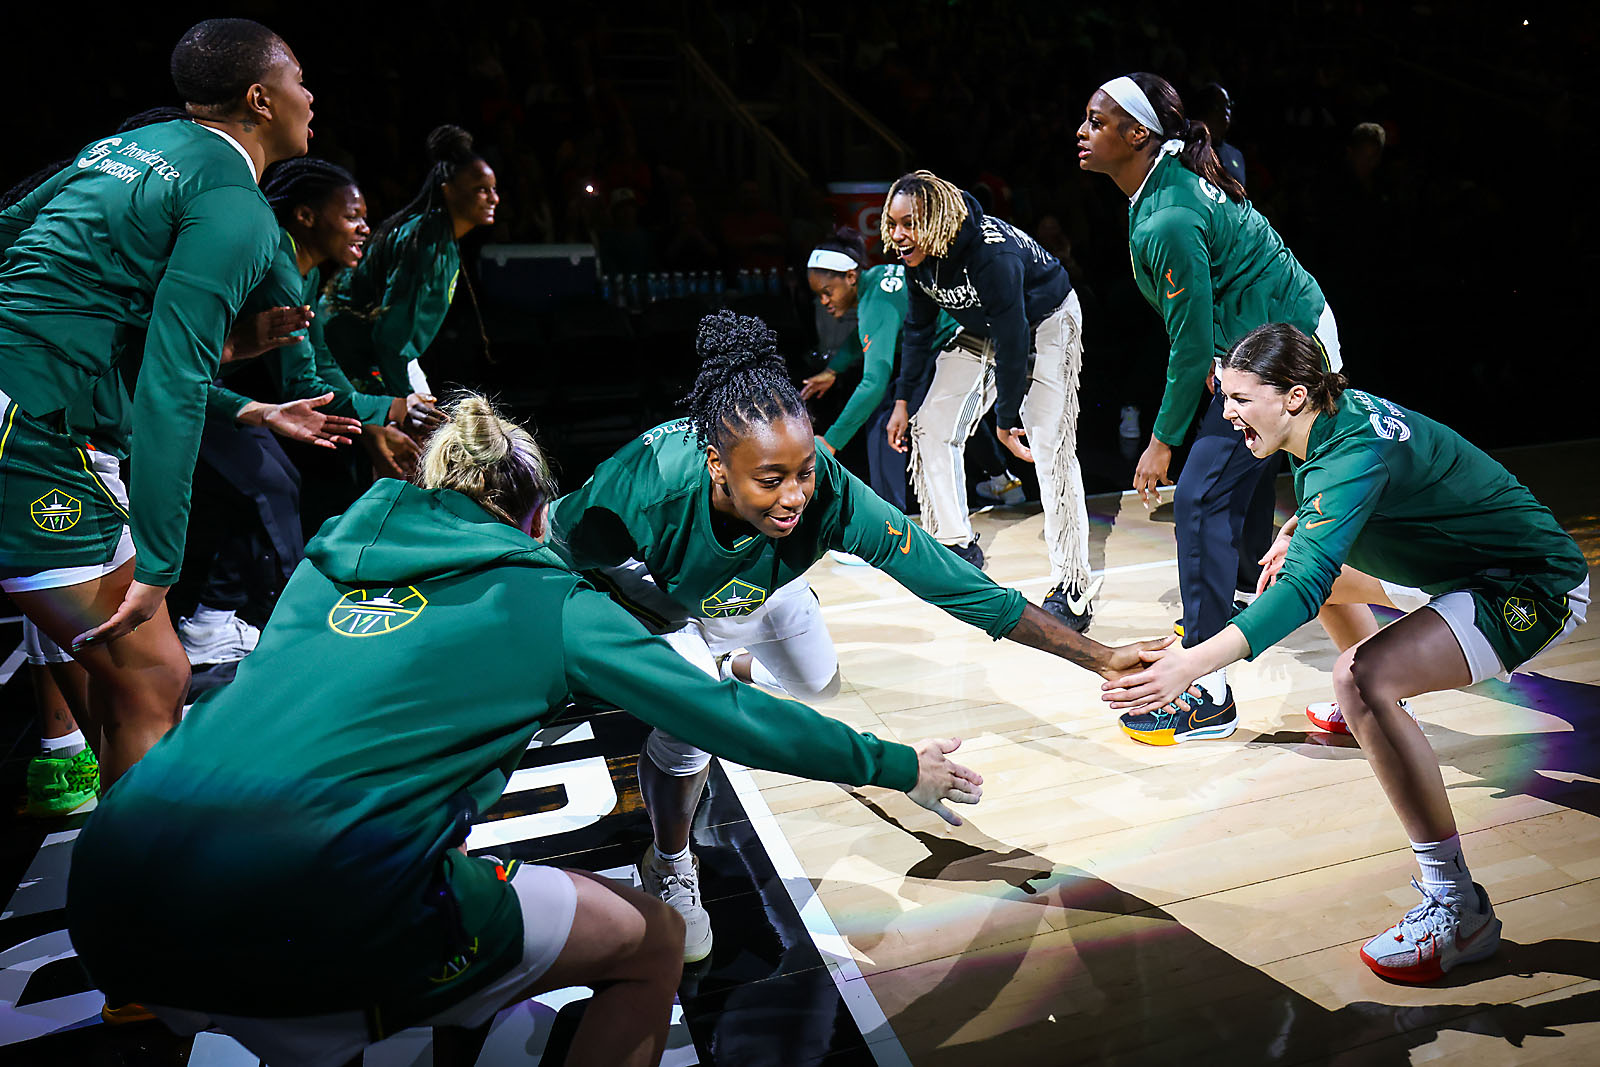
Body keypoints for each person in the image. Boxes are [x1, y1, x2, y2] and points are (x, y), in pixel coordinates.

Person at [67, 392, 983, 1067]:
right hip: (325, 898)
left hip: (115, 892)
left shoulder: (331, 549)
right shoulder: (554, 601)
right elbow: (732, 723)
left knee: (286, 984)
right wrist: (898, 762)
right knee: (656, 943)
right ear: (537, 510)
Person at [551, 310, 1164, 962]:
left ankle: (731, 658)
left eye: (804, 470)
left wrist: (1098, 657)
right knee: (698, 722)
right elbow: (550, 552)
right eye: (771, 479)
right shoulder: (643, 487)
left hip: (747, 582)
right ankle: (670, 859)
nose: (795, 496)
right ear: (716, 466)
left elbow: (959, 587)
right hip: (656, 593)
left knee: (815, 680)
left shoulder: (830, 494)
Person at [1102, 323, 1590, 983]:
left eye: (1242, 398)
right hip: (1461, 564)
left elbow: (1308, 581)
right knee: (1305, 580)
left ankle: (1459, 905)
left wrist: (1191, 662)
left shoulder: (1347, 449)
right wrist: (1300, 526)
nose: (1226, 412)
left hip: (1529, 584)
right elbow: (1341, 504)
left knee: (1359, 678)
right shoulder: (1330, 415)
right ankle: (1377, 717)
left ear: (1295, 395)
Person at [0, 18, 345, 784]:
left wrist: (229, 353)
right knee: (157, 677)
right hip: (30, 426)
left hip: (31, 405)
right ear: (260, 97)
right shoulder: (235, 204)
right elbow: (170, 385)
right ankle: (146, 894)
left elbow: (10, 231)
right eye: (298, 77)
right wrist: (159, 560)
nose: (310, 94)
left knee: (126, 683)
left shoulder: (120, 149)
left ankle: (128, 854)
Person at [1077, 72, 1343, 738]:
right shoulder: (1162, 181)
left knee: (1198, 495)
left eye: (1095, 121)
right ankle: (1242, 597)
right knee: (1236, 486)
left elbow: (1189, 344)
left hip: (1289, 354)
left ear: (1137, 134)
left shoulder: (1167, 211)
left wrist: (1162, 440)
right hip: (1269, 339)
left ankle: (1207, 692)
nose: (1081, 132)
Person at [180, 158, 433, 663]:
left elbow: (319, 367)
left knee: (271, 483)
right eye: (352, 215)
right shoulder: (277, 264)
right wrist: (394, 407)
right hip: (187, 390)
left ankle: (211, 624)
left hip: (216, 390)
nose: (365, 226)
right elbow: (302, 383)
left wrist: (387, 411)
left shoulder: (304, 268)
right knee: (272, 484)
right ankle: (299, 629)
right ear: (306, 216)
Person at [879, 171, 1099, 627]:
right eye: (893, 224)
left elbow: (1016, 339)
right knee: (930, 427)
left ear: (937, 219)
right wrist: (902, 401)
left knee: (1049, 445)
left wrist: (1004, 418)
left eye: (908, 223)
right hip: (989, 328)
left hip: (1047, 319)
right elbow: (918, 331)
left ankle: (1073, 588)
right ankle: (958, 547)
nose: (898, 236)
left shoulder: (990, 254)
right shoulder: (919, 259)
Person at [801, 227, 959, 513]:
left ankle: (891, 525)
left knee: (884, 422)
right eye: (818, 295)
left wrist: (832, 441)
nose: (824, 302)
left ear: (850, 277)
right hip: (952, 340)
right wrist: (834, 370)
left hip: (957, 346)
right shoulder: (877, 278)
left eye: (827, 292)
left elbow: (874, 381)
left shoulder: (876, 303)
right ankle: (1001, 480)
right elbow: (864, 335)